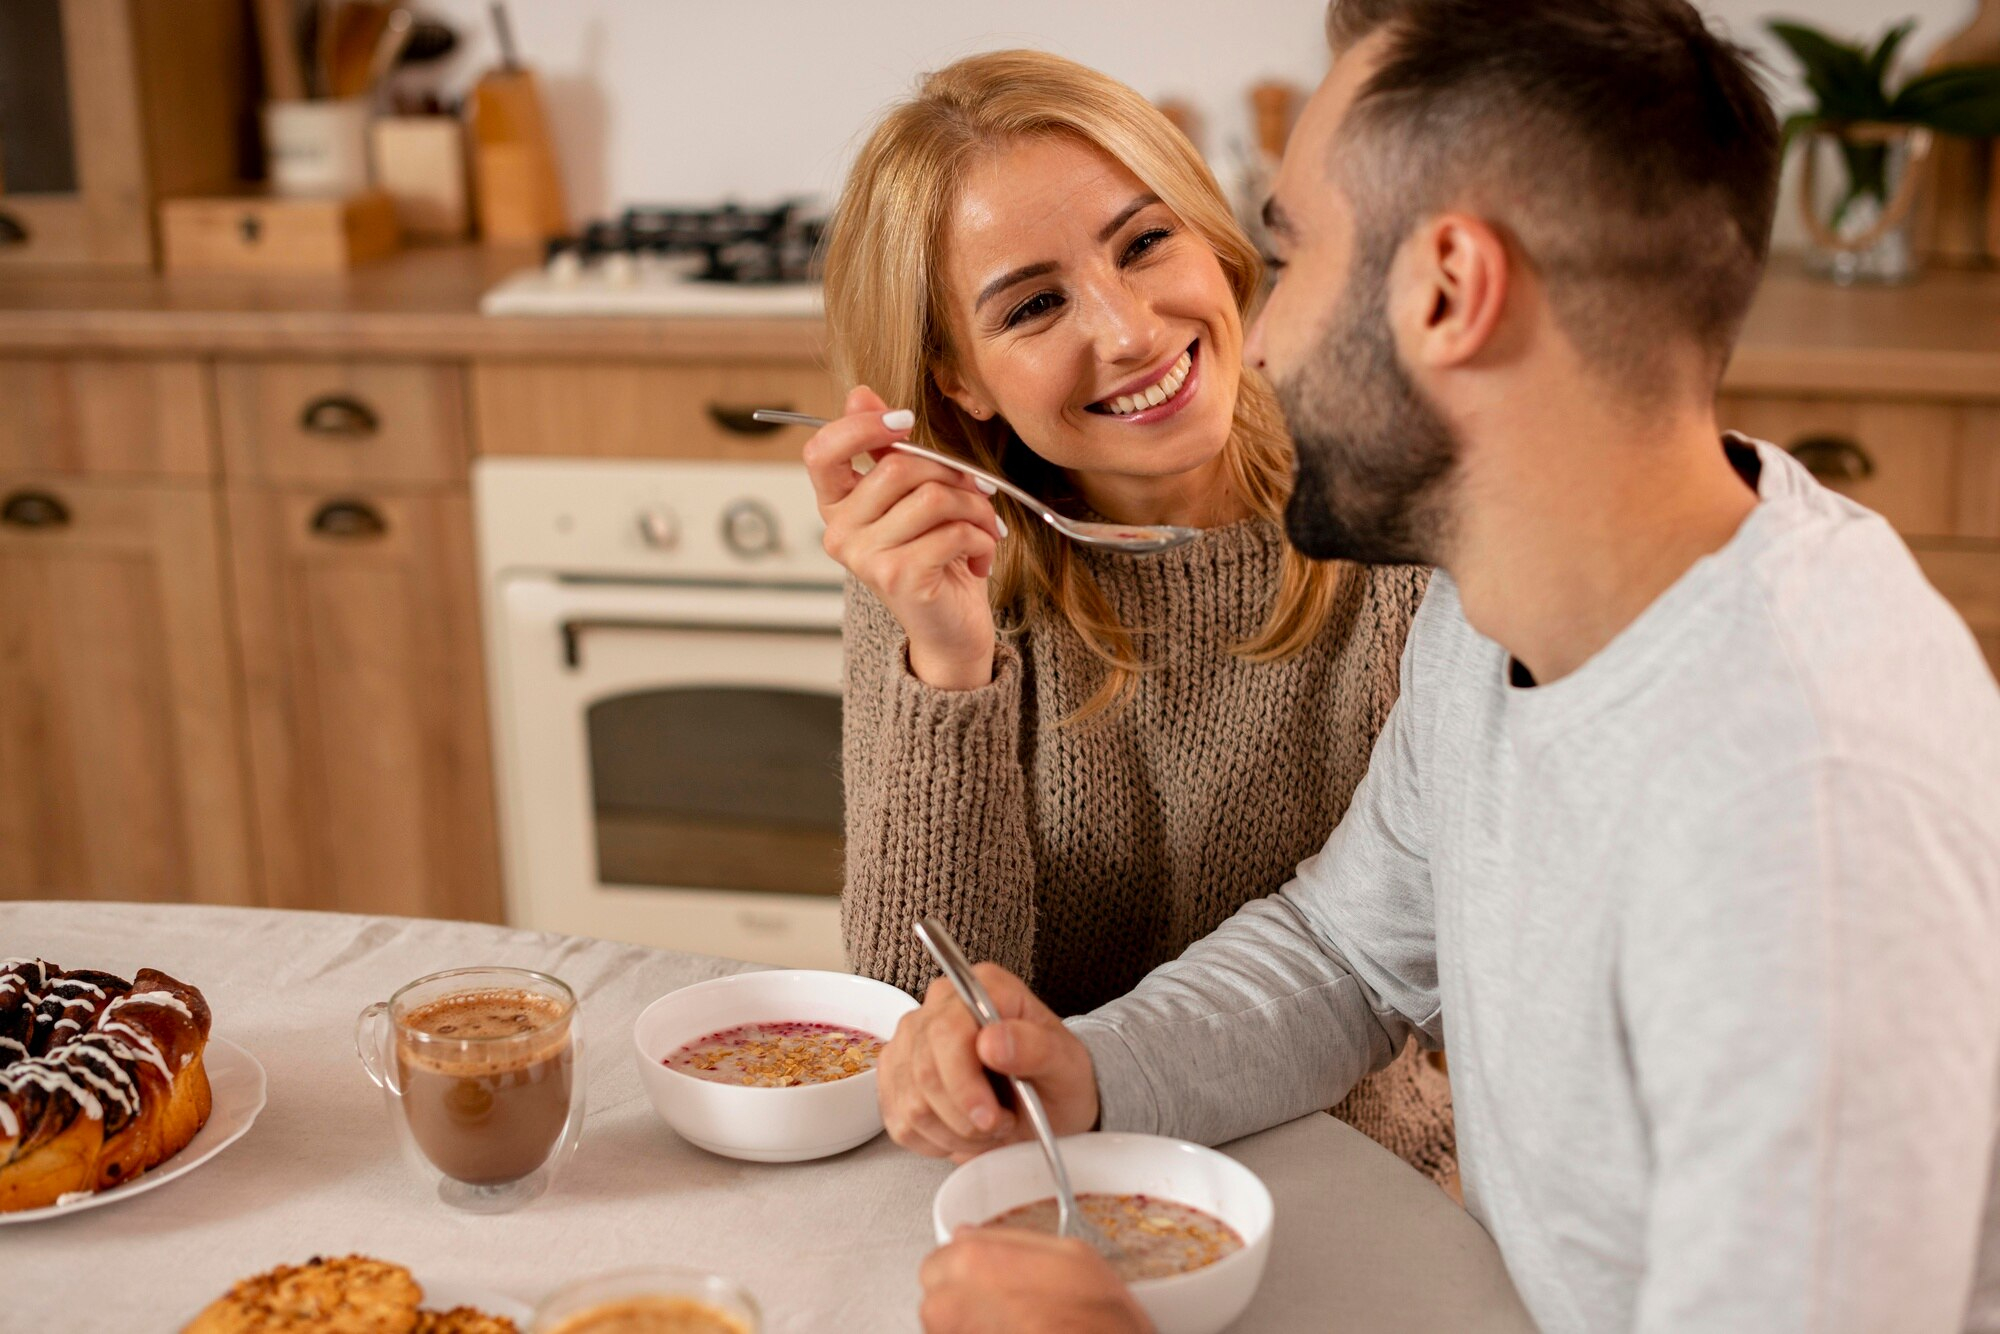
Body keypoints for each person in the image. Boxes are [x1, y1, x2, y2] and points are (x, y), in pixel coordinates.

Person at [890, 3, 2000, 1331]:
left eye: (1290, 258)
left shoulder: (1799, 822)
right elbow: (1350, 951)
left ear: (1449, 293)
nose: (1262, 331)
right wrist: (1087, 1066)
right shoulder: (1504, 608)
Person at [803, 50, 1454, 1182]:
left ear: (1211, 234)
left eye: (1144, 241)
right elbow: (927, 1024)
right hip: (1053, 1164)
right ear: (956, 377)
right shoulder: (936, 565)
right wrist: (946, 662)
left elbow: (1417, 965)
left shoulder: (1399, 510)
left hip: (1365, 1176)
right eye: (1035, 304)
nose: (1129, 330)